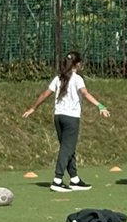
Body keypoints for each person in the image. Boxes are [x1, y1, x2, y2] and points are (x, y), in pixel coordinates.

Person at [22, 50, 109, 193]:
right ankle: (57, 180)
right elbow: (85, 93)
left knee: (68, 147)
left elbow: (45, 94)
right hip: (71, 118)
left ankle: (74, 179)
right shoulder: (77, 79)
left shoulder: (59, 78)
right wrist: (100, 106)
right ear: (78, 64)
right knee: (66, 149)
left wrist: (33, 108)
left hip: (58, 117)